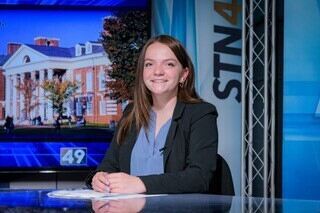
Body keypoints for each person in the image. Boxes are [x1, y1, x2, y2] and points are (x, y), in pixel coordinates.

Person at [86, 35, 218, 194]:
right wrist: (99, 177)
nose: (157, 72)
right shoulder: (131, 112)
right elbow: (109, 164)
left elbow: (199, 178)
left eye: (169, 64)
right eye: (149, 64)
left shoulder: (201, 114)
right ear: (142, 72)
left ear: (183, 74)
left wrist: (141, 184)